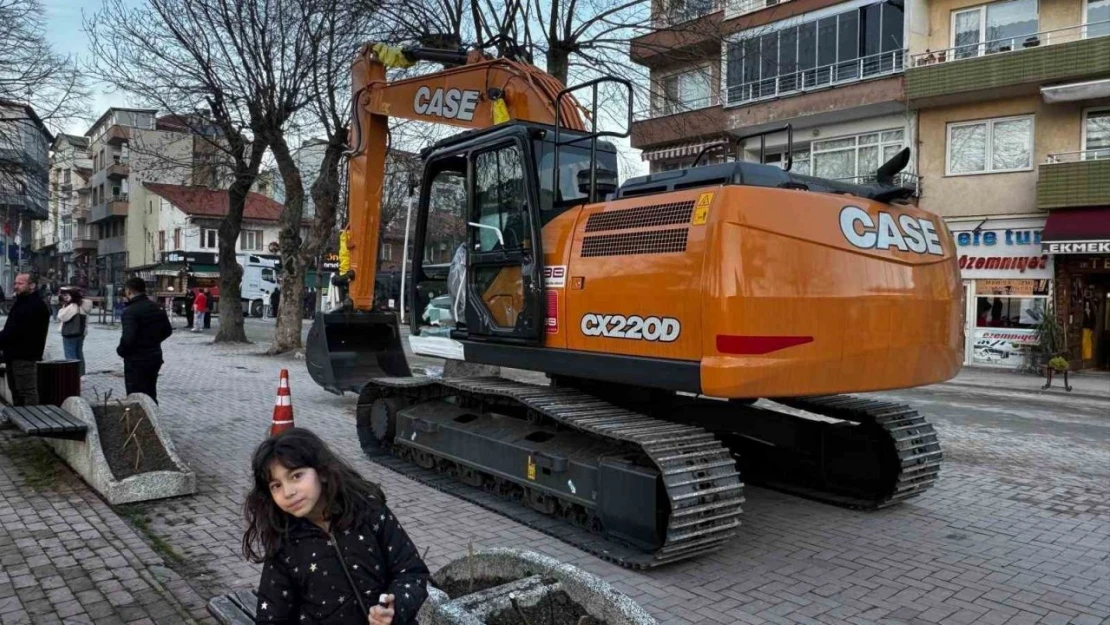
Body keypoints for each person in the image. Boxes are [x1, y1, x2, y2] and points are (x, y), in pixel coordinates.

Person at [243, 428, 429, 625]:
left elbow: (412, 573)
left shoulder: (368, 512)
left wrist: (395, 608)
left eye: (296, 476)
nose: (288, 492)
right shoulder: (284, 543)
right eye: (276, 485)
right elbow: (272, 617)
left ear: (322, 472)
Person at [117, 277, 173, 403]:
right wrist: (153, 341)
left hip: (136, 359)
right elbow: (167, 331)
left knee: (135, 395)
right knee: (150, 391)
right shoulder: (157, 307)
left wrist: (121, 350)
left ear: (129, 291)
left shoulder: (130, 311)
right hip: (154, 356)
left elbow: (128, 337)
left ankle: (141, 420)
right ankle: (153, 416)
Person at [0, 274, 50, 405]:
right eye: (15, 283)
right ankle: (19, 418)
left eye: (20, 283)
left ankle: (31, 421)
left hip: (24, 356)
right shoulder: (22, 302)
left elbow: (15, 331)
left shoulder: (34, 305)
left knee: (26, 391)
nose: (16, 286)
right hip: (13, 355)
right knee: (16, 390)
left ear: (32, 285)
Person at [57, 288, 93, 376]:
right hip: (81, 332)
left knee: (70, 354)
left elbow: (62, 316)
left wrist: (63, 307)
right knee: (79, 353)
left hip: (70, 333)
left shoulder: (72, 306)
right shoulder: (83, 305)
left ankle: (72, 375)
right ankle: (81, 374)